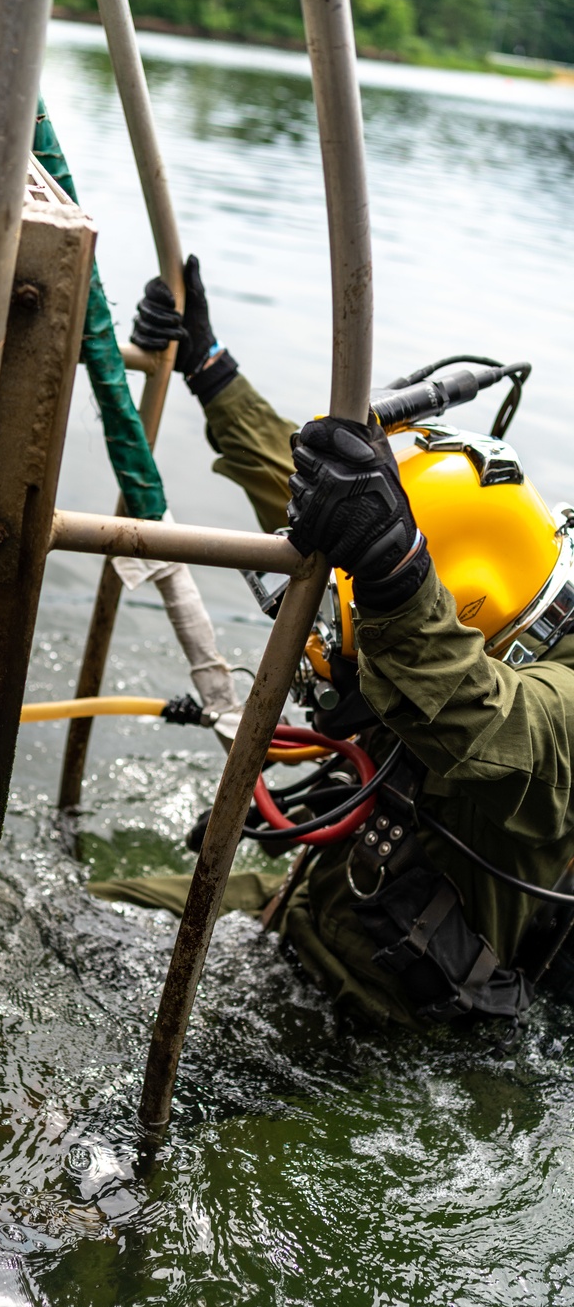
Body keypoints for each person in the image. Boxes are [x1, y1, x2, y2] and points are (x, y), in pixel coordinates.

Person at [88, 258, 574, 1030]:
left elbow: (482, 720)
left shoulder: (559, 704)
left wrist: (392, 571)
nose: (332, 655)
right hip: (312, 910)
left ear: (467, 615)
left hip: (383, 1026)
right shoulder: (505, 594)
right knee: (74, 919)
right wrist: (212, 371)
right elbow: (319, 511)